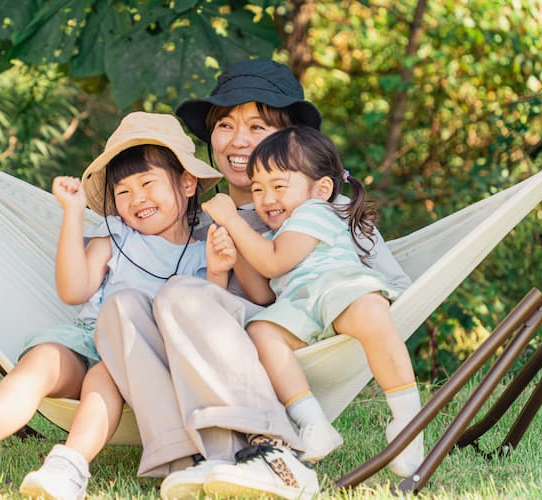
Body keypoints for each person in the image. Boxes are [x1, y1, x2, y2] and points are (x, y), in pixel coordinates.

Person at [94, 59, 413, 500]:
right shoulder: (198, 220)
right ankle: (192, 455)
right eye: (225, 125)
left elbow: (390, 288)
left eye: (257, 126)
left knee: (182, 294)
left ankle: (276, 452)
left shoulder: (325, 208)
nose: (238, 140)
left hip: (298, 344)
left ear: (287, 140)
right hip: (223, 353)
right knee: (124, 305)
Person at [0, 112, 226, 499]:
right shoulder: (115, 234)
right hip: (87, 338)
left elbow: (211, 314)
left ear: (188, 182)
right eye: (122, 191)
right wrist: (74, 215)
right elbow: (74, 290)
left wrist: (220, 269)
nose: (136, 198)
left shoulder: (202, 251)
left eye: (147, 183)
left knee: (103, 377)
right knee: (41, 360)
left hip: (143, 358)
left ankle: (67, 467)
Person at [202, 125, 424, 477]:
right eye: (257, 189)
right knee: (260, 332)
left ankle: (408, 422)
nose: (266, 198)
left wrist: (232, 217)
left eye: (278, 186)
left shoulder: (316, 212)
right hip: (301, 306)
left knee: (371, 311)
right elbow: (262, 293)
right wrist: (236, 245)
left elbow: (274, 261)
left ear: (321, 188)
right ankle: (313, 423)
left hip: (341, 289)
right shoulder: (274, 232)